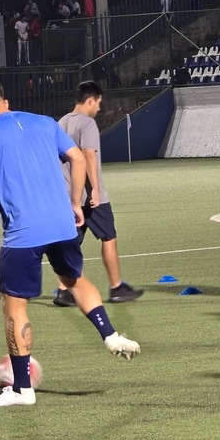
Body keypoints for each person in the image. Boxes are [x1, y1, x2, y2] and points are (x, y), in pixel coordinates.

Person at [0, 77, 141, 407]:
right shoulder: (45, 122)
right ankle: (111, 335)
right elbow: (78, 158)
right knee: (74, 280)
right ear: (3, 99)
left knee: (14, 305)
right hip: (61, 222)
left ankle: (22, 389)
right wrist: (75, 202)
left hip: (23, 232)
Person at [53, 81, 145, 307]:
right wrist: (94, 188)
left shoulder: (60, 123)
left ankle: (64, 291)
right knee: (108, 237)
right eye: (99, 103)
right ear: (90, 100)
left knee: (69, 242)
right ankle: (116, 287)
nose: (99, 108)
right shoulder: (87, 123)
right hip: (90, 197)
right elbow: (88, 155)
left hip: (67, 195)